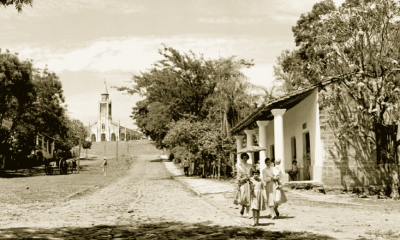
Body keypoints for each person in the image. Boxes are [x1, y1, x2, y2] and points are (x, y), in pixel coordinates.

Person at [233, 153, 253, 218]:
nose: (245, 159)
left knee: (248, 197)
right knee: (242, 197)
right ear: (241, 158)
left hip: (248, 183)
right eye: (243, 158)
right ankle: (242, 207)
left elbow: (251, 174)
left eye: (246, 158)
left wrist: (249, 177)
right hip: (242, 183)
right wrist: (241, 179)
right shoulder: (239, 166)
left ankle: (247, 213)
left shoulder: (250, 165)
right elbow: (238, 175)